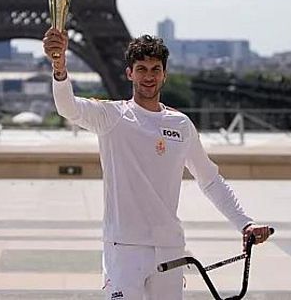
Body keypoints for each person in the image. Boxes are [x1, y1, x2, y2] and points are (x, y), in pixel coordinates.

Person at [43, 28, 272, 300]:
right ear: (130, 73)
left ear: (164, 74)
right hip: (124, 249)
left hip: (170, 249)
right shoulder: (111, 116)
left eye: (155, 69)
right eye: (141, 69)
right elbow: (68, 107)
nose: (148, 76)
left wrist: (245, 223)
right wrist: (59, 66)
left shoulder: (181, 125)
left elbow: (210, 179)